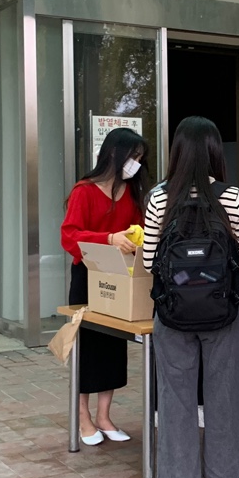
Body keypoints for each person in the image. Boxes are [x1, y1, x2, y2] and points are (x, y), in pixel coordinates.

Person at [141, 117, 239, 478]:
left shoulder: (160, 198)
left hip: (172, 314)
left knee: (175, 398)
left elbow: (148, 262)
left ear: (177, 152)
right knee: (223, 395)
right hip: (222, 311)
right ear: (214, 151)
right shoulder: (232, 197)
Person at [60, 127, 149, 445]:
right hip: (88, 277)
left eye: (140, 158)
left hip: (119, 277)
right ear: (113, 153)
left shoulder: (132, 192)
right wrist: (109, 238)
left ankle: (104, 416)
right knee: (87, 348)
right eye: (133, 156)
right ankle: (83, 417)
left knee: (113, 348)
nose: (136, 163)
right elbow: (69, 235)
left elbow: (141, 229)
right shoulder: (84, 191)